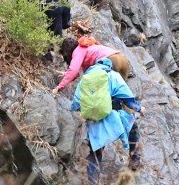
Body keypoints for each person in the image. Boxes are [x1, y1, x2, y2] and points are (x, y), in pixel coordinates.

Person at [56, 37, 141, 169]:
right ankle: (134, 156)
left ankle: (107, 129)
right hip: (122, 60)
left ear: (67, 51)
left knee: (107, 102)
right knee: (120, 97)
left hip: (113, 62)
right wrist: (69, 73)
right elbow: (85, 72)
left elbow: (75, 71)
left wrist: (59, 87)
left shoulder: (78, 51)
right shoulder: (88, 47)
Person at [70, 57, 142, 185]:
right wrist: (139, 108)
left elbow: (75, 104)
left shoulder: (85, 79)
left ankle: (92, 184)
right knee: (133, 127)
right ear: (109, 66)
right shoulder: (112, 75)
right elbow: (128, 100)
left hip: (94, 120)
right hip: (113, 117)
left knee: (95, 151)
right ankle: (134, 162)